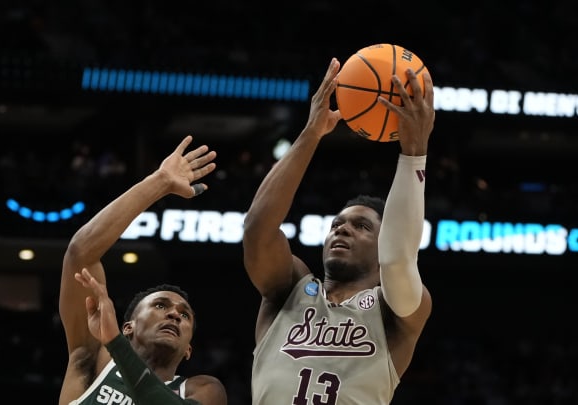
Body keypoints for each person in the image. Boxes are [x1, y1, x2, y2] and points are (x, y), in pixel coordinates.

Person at [242, 57, 435, 404]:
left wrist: (414, 155)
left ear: (383, 243)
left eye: (361, 226)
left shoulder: (397, 310)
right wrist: (311, 132)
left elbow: (397, 261)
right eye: (336, 225)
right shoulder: (289, 290)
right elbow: (258, 228)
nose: (342, 230)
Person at [59, 135, 227, 405]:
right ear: (128, 327)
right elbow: (80, 253)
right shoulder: (92, 361)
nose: (174, 313)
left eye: (185, 316)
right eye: (160, 306)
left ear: (188, 350)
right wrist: (159, 182)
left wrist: (114, 342)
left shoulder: (203, 390)